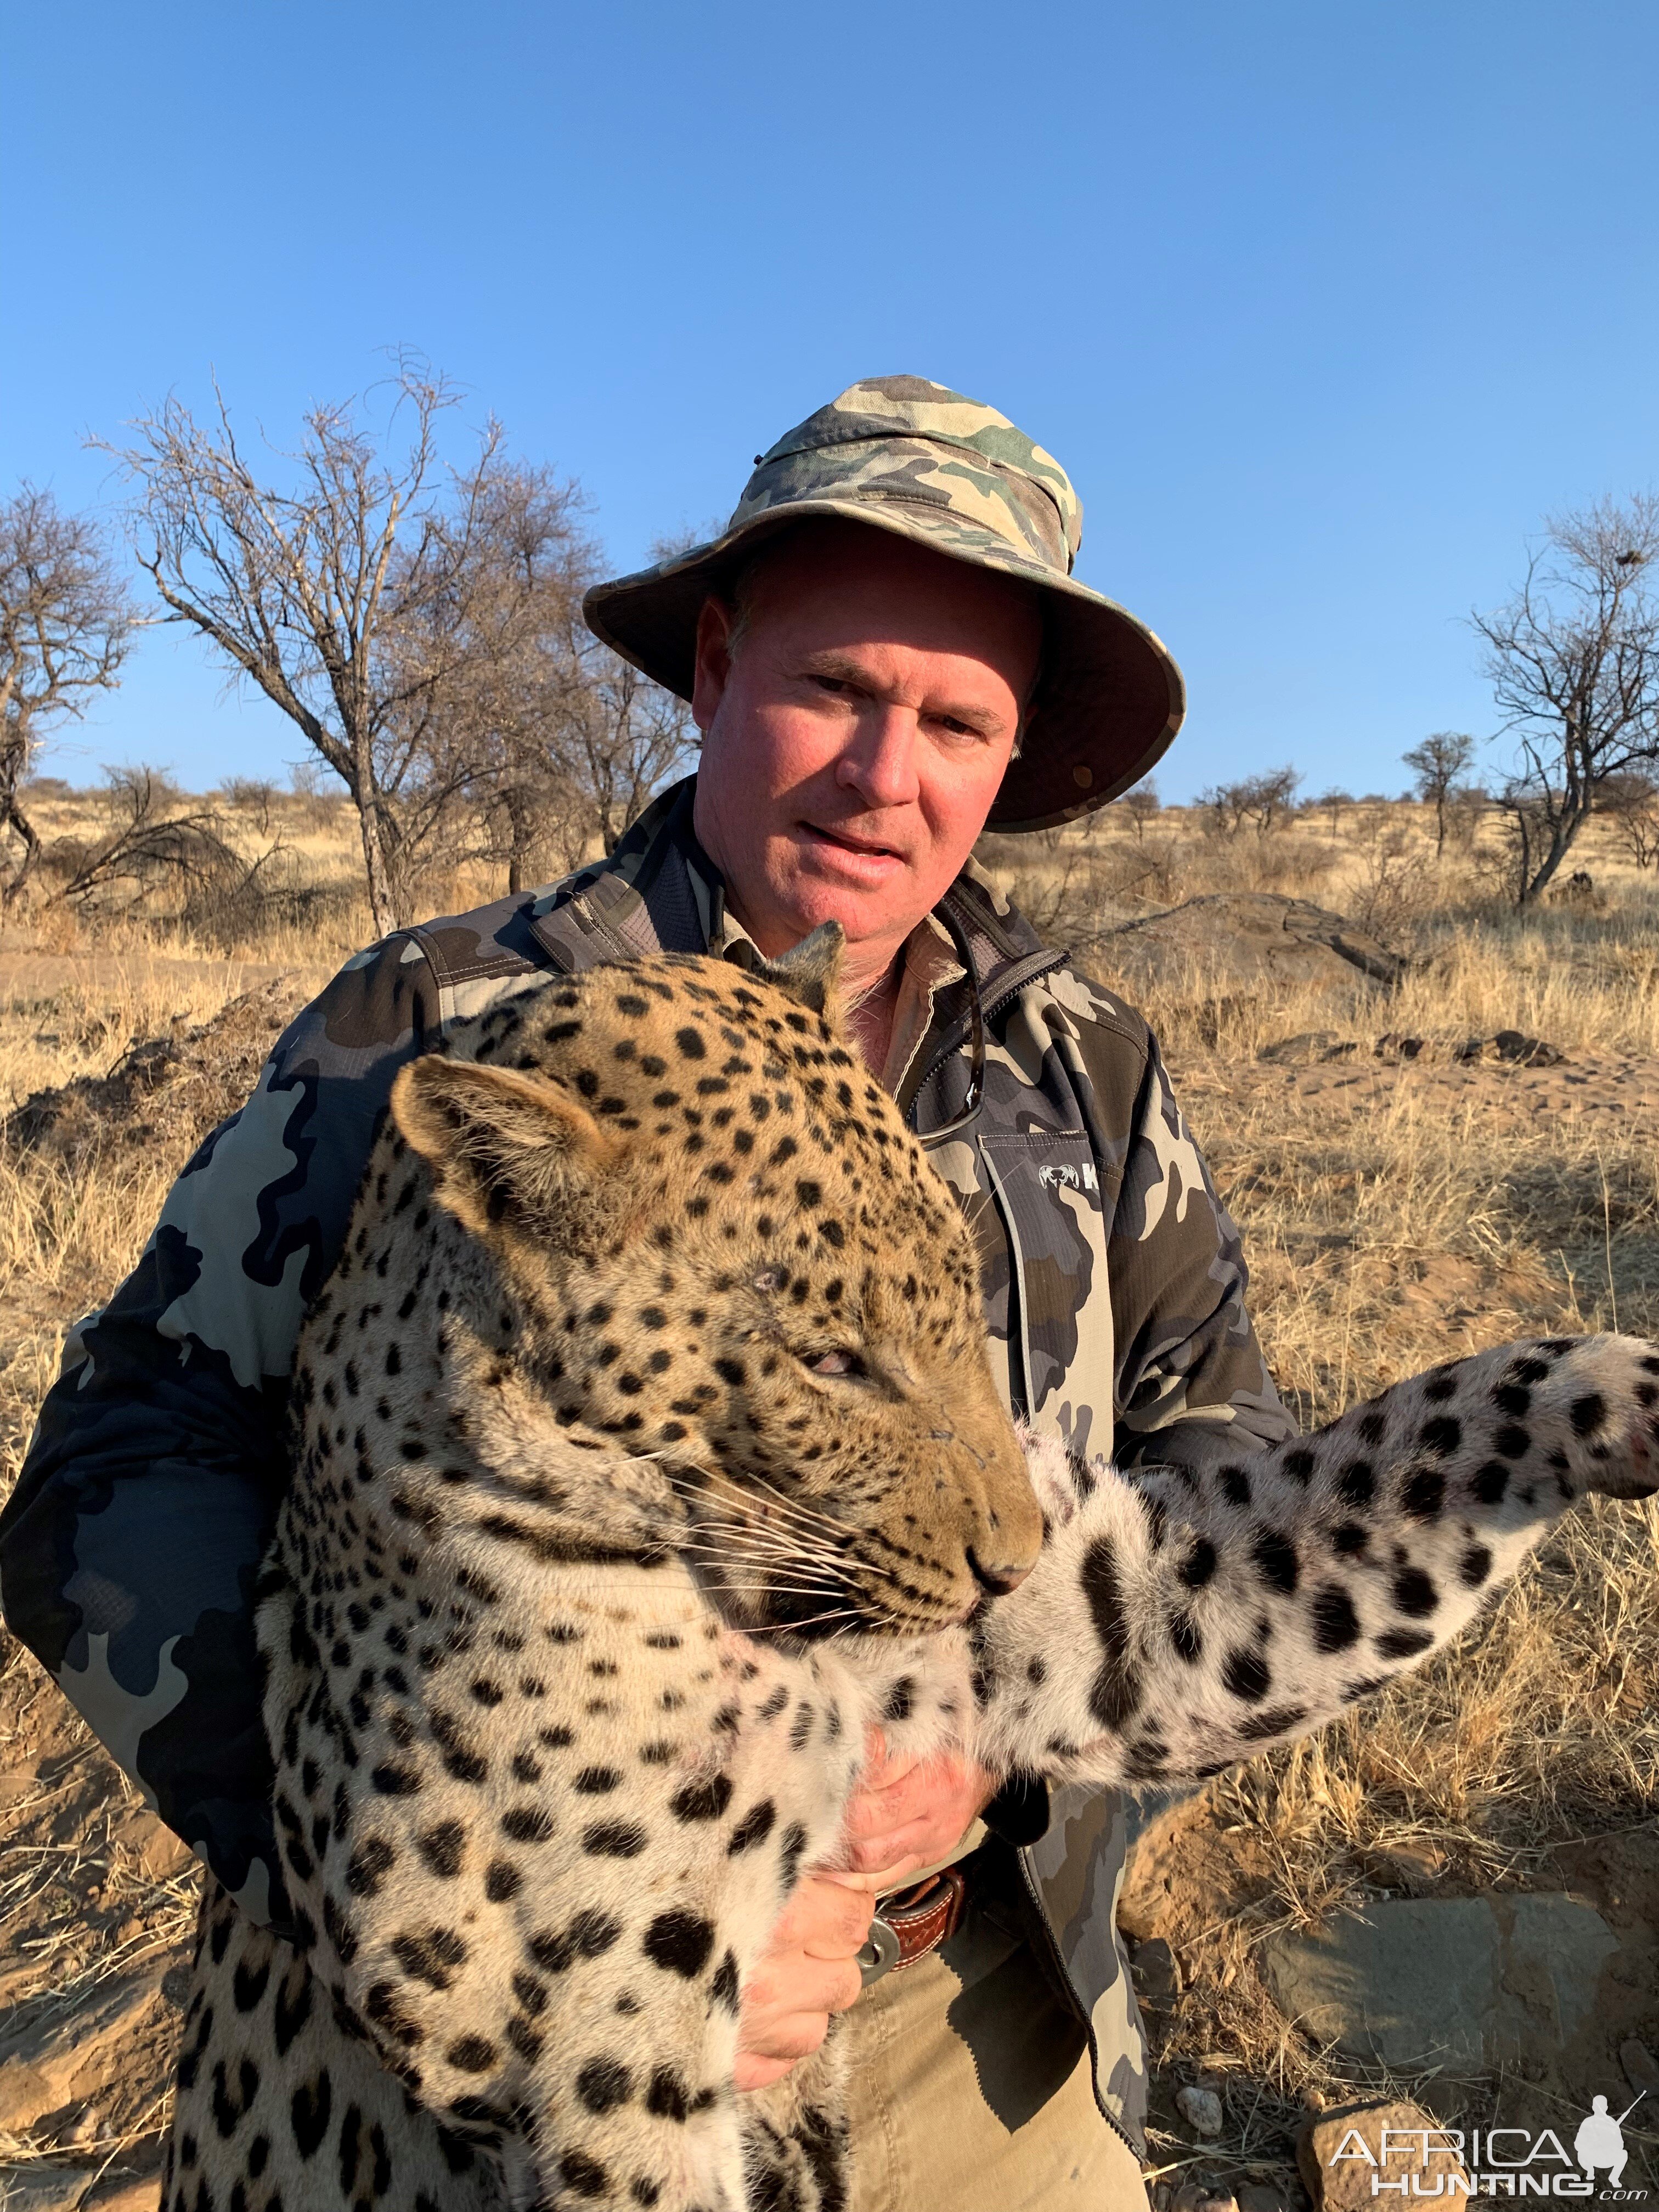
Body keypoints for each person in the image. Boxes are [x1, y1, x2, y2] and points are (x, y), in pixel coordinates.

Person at [0, 376, 1293, 2209]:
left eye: (956, 719)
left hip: (969, 2009)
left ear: (1013, 761)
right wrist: (432, 1895)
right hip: (484, 2066)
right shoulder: (436, 1030)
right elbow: (113, 1474)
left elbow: (1224, 1459)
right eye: (835, 689)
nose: (886, 770)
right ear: (710, 670)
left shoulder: (1095, 1067)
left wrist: (998, 1756)